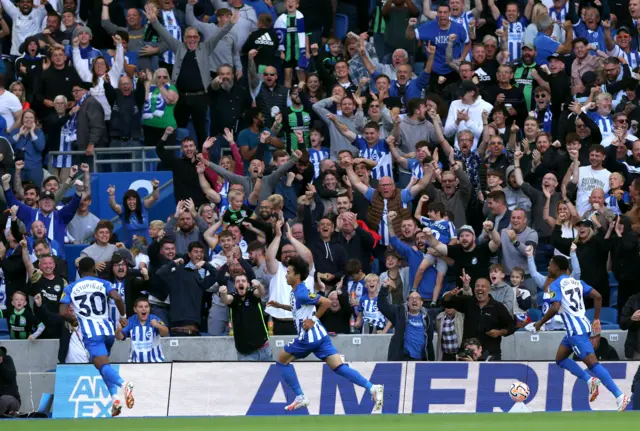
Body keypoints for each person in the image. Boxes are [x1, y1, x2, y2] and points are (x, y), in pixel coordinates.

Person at [266, 255, 384, 411]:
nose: (286, 275)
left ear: (297, 276)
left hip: (308, 336)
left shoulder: (301, 293)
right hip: (321, 335)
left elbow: (326, 302)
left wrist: (313, 319)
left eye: (288, 272)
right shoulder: (297, 292)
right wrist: (280, 305)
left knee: (281, 361)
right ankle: (372, 387)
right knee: (338, 367)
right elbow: (299, 309)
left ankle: (300, 396)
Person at [531, 255, 631, 411]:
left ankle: (619, 396)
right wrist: (596, 319)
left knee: (592, 363)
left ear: (556, 267)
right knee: (560, 359)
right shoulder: (577, 282)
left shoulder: (555, 285)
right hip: (581, 325)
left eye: (550, 265)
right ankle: (590, 381)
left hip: (575, 331)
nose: (548, 268)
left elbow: (555, 307)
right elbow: (597, 296)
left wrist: (540, 323)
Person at [59, 257, 134, 417]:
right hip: (108, 330)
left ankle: (124, 384)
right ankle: (114, 399)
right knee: (103, 365)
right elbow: (117, 297)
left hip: (91, 333)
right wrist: (123, 314)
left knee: (102, 365)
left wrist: (74, 321)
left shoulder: (71, 287)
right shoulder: (103, 283)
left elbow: (62, 312)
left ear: (79, 271)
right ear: (95, 269)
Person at [218, 274, 271, 361]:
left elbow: (261, 293)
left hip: (263, 349)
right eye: (237, 281)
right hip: (245, 354)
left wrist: (259, 285)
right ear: (235, 285)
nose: (240, 283)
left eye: (243, 281)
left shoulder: (252, 294)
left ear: (248, 284)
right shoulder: (234, 297)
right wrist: (223, 293)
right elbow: (226, 299)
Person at [116, 297, 168, 363]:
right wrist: (118, 330)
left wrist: (158, 325)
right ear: (135, 309)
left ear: (149, 309)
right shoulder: (131, 320)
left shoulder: (155, 318)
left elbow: (166, 333)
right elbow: (120, 337)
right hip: (135, 363)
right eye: (140, 307)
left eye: (146, 307)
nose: (144, 309)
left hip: (156, 362)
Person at [0, 346, 20, 416]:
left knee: (3, 399)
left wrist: (1, 364)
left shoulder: (7, 359)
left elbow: (11, 376)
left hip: (11, 399)